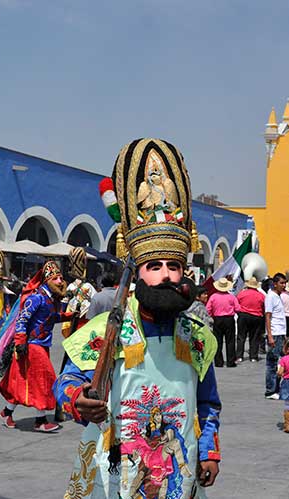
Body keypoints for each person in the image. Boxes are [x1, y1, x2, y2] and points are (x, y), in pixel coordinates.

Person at [53, 138, 222, 498]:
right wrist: (78, 398)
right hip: (112, 467)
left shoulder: (198, 336)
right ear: (137, 271)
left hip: (179, 466)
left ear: (183, 273)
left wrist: (209, 450)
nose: (164, 275)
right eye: (154, 266)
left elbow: (207, 402)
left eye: (173, 266)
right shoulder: (103, 329)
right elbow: (66, 381)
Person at [0, 260, 73, 432]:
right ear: (47, 281)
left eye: (61, 278)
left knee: (24, 382)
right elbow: (22, 320)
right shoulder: (36, 298)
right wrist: (20, 342)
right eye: (56, 278)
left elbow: (52, 318)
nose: (61, 281)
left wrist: (70, 316)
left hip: (43, 344)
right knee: (45, 380)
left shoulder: (51, 299)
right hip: (32, 345)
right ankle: (40, 421)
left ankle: (6, 413)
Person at [206, 277, 240, 367]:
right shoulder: (231, 297)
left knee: (218, 341)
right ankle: (230, 361)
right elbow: (238, 309)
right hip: (229, 319)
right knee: (230, 341)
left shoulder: (213, 297)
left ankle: (218, 362)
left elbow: (208, 309)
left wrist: (212, 316)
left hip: (217, 319)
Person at [264, 273, 287, 399]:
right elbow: (268, 316)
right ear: (275, 284)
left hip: (281, 333)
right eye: (281, 283)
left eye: (284, 283)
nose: (283, 285)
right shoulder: (270, 297)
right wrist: (270, 335)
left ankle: (278, 387)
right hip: (275, 332)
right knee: (272, 362)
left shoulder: (278, 296)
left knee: (284, 360)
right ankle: (270, 390)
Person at [236, 276, 265, 362]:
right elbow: (263, 307)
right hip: (256, 316)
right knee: (255, 337)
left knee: (241, 336)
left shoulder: (242, 293)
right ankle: (253, 356)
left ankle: (239, 356)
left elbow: (237, 304)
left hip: (243, 315)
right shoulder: (261, 295)